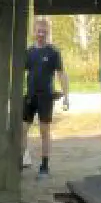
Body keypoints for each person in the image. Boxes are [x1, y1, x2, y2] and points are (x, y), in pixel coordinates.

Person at [20, 16, 69, 178]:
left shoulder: (53, 52)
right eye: (38, 30)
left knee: (44, 131)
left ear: (48, 32)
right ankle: (22, 159)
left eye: (44, 31)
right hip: (30, 97)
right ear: (34, 32)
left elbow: (61, 74)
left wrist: (66, 95)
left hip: (46, 97)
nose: (41, 33)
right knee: (22, 129)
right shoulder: (29, 52)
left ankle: (44, 166)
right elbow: (21, 73)